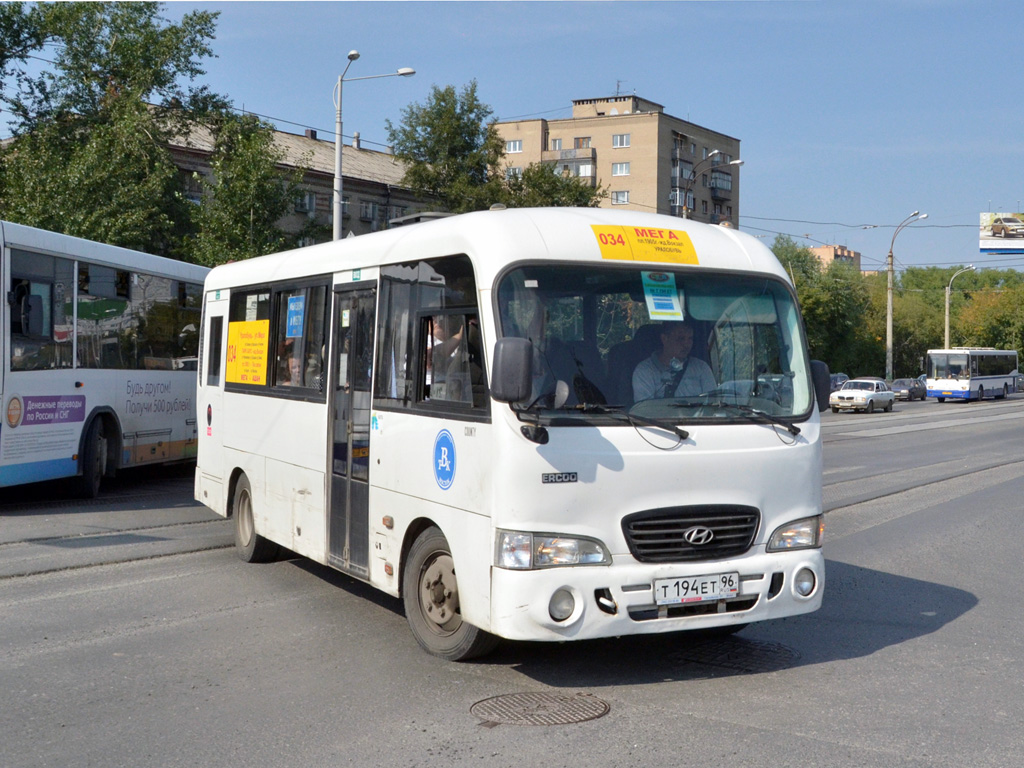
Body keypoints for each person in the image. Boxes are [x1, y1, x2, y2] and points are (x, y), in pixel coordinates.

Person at [632, 320, 716, 401]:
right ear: (664, 339)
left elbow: (713, 405)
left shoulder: (701, 368)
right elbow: (644, 410)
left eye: (690, 339)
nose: (686, 345)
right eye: (680, 339)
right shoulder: (644, 371)